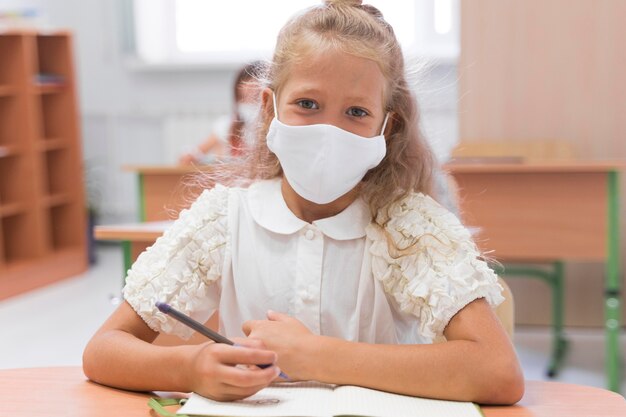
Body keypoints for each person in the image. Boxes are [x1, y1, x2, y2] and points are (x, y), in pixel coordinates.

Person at [83, 0, 524, 405]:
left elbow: (498, 372)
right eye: (307, 104)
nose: (328, 132)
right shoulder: (223, 221)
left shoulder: (408, 227)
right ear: (269, 109)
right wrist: (188, 366)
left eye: (356, 112)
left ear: (386, 128)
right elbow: (103, 349)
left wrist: (318, 356)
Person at [178, 61, 263, 164]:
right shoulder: (225, 125)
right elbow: (196, 153)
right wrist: (191, 155)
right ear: (237, 89)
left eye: (257, 81)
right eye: (247, 81)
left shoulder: (271, 126)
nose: (253, 86)